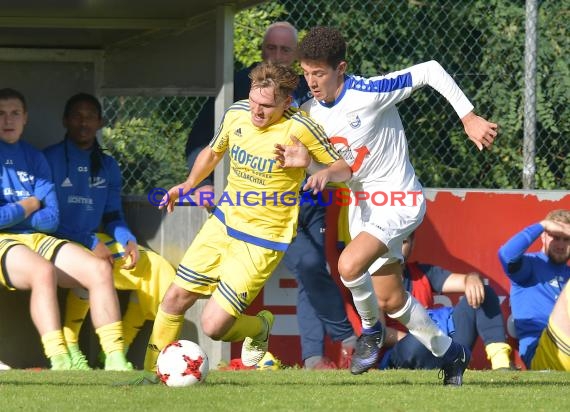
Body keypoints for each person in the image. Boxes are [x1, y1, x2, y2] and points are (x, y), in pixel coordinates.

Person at [275, 26, 498, 385]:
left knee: (348, 265)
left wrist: (468, 117)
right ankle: (451, 353)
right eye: (306, 73)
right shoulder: (310, 113)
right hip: (364, 206)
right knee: (392, 299)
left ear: (341, 68)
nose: (312, 81)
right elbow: (345, 170)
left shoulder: (369, 92)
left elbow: (429, 69)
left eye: (319, 73)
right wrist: (308, 165)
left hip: (399, 199)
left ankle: (371, 333)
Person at [130, 62, 351, 384]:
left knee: (213, 326)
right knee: (174, 298)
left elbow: (345, 169)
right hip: (222, 224)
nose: (256, 112)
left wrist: (314, 166)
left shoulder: (302, 127)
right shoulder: (237, 113)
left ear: (286, 103)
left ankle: (259, 326)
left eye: (266, 106)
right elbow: (213, 150)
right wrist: (188, 184)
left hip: (262, 241)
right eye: (253, 102)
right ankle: (151, 375)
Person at [186, 21, 356, 370]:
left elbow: (341, 150)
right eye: (271, 48)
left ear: (297, 56)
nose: (276, 54)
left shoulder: (314, 90)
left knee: (314, 269)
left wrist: (318, 169)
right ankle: (343, 339)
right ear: (262, 52)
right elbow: (202, 142)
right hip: (269, 212)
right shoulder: (243, 89)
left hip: (314, 199)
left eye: (284, 50)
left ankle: (313, 356)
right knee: (308, 264)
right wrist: (200, 183)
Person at [42, 93, 176, 370]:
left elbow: (113, 214)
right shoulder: (48, 159)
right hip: (53, 241)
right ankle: (70, 347)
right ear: (65, 120)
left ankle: (124, 348)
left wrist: (127, 239)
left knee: (154, 267)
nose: (83, 122)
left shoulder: (108, 165)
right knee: (94, 263)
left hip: (93, 242)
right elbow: (47, 219)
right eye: (77, 116)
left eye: (90, 116)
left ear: (100, 122)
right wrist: (90, 241)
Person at [0, 88, 131, 370]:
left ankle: (115, 358)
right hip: (3, 241)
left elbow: (51, 219)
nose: (7, 120)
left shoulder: (35, 158)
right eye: (1, 113)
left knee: (99, 269)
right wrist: (28, 205)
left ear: (25, 119)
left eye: (14, 113)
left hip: (37, 238)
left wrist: (17, 213)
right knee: (42, 271)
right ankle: (60, 359)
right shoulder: (48, 156)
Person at [379, 231, 513, 370]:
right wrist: (426, 338)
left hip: (437, 345)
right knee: (419, 340)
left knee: (483, 291)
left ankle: (501, 365)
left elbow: (464, 281)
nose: (396, 248)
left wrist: (472, 278)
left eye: (403, 242)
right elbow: (379, 333)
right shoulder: (373, 281)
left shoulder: (423, 273)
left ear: (413, 244)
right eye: (392, 242)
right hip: (402, 353)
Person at [498, 209, 570, 371]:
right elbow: (505, 254)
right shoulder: (530, 265)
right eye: (555, 236)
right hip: (541, 351)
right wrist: (542, 225)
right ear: (543, 236)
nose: (560, 244)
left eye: (566, 239)